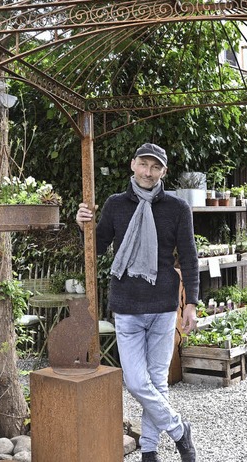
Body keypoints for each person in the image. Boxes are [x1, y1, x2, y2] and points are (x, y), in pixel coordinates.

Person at [76, 142, 199, 462]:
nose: (148, 172)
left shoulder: (177, 208)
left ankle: (149, 451)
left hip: (162, 305)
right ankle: (178, 429)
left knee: (156, 382)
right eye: (144, 164)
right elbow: (97, 248)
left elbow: (189, 257)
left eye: (155, 167)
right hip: (127, 305)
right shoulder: (116, 205)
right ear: (133, 165)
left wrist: (191, 304)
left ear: (164, 172)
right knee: (134, 380)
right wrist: (83, 227)